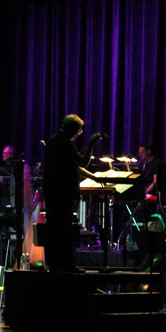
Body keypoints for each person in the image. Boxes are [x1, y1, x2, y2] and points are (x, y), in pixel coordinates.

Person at [42, 114, 103, 273]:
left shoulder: (54, 141)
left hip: (53, 193)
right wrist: (92, 143)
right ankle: (65, 265)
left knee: (55, 229)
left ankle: (54, 265)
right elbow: (83, 162)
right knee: (64, 230)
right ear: (73, 129)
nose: (79, 133)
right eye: (79, 130)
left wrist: (93, 177)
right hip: (62, 194)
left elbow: (74, 166)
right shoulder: (64, 144)